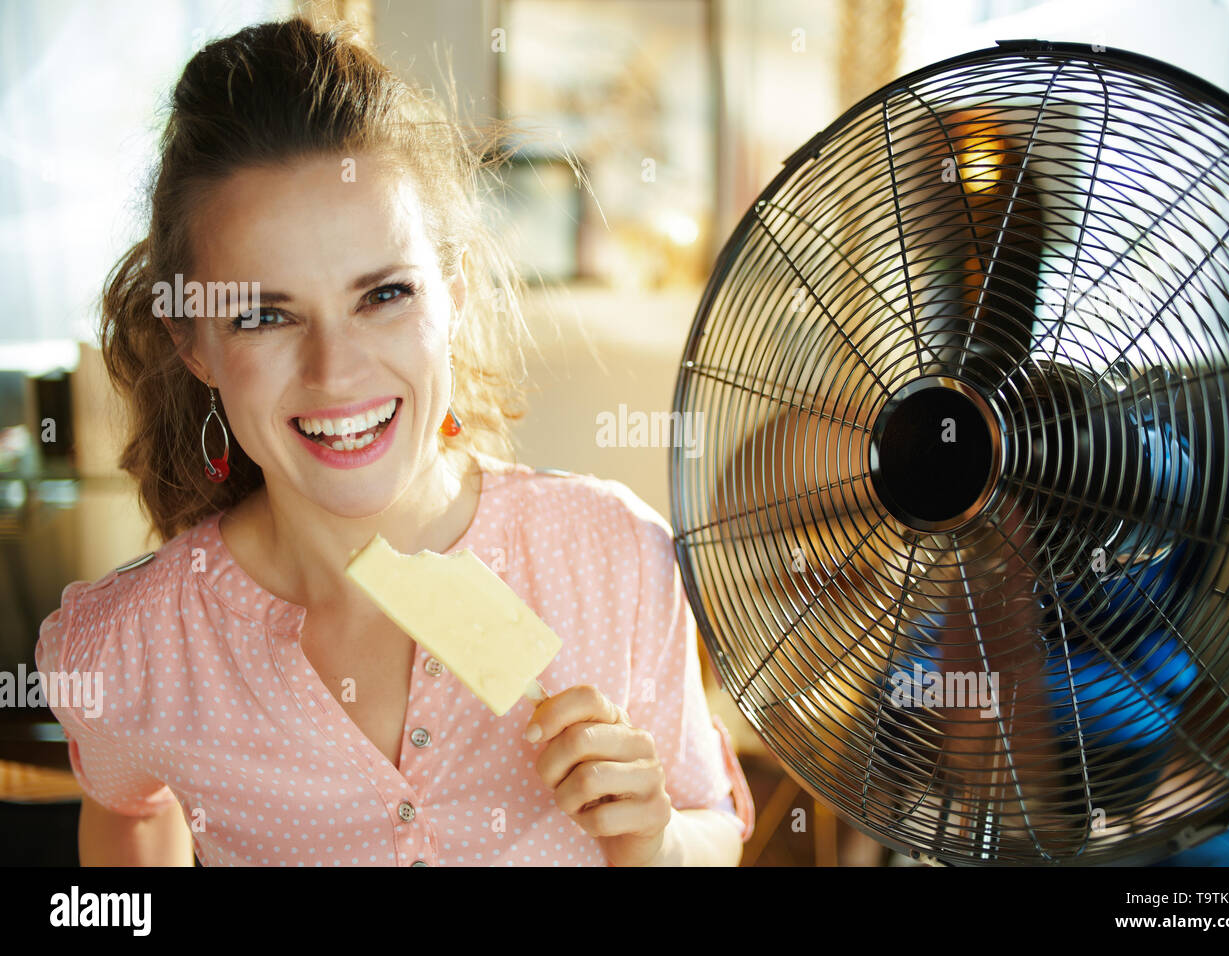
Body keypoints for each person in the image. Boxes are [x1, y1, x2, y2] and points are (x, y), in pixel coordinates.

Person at [35, 16, 753, 867]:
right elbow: (125, 813)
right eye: (265, 316)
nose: (335, 373)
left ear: (450, 296)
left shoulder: (616, 558)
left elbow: (711, 820)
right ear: (195, 345)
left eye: (383, 295)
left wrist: (658, 839)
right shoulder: (132, 648)